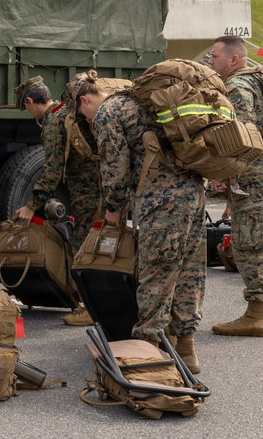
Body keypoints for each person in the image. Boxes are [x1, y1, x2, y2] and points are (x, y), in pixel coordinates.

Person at [77, 71, 206, 372]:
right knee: (189, 271)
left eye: (82, 114)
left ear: (87, 100)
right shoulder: (150, 103)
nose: (86, 119)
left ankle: (149, 352)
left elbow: (115, 166)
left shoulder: (110, 112)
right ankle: (186, 347)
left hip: (160, 201)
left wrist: (113, 207)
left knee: (156, 274)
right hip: (194, 194)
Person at [207, 36, 263, 336]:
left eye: (214, 55)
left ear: (233, 59)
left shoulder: (236, 88)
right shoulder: (261, 82)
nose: (210, 61)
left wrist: (224, 173)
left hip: (251, 176)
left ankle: (256, 314)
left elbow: (239, 138)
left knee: (251, 244)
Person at [12, 74, 101, 327]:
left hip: (88, 192)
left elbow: (51, 170)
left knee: (84, 247)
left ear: (30, 101)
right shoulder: (66, 113)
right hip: (98, 188)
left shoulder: (53, 122)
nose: (28, 112)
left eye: (26, 106)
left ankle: (90, 307)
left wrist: (31, 206)